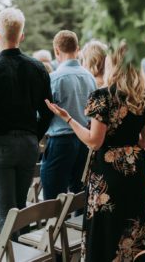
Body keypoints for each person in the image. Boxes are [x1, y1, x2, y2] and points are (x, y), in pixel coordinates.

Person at [45, 43, 145, 261]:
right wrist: (128, 146)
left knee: (105, 232)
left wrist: (68, 119)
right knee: (132, 229)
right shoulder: (143, 97)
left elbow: (95, 142)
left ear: (113, 63)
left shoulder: (102, 97)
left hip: (108, 175)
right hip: (134, 173)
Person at [0, 8, 53, 234]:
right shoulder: (38, 68)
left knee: (5, 215)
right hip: (28, 146)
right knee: (20, 210)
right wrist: (33, 135)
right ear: (22, 36)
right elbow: (48, 111)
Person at [41, 30, 97, 200]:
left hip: (60, 143)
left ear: (56, 51)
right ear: (77, 49)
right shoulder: (90, 77)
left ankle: (55, 227)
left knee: (52, 197)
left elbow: (44, 113)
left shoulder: (54, 78)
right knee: (79, 196)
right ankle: (78, 227)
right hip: (84, 141)